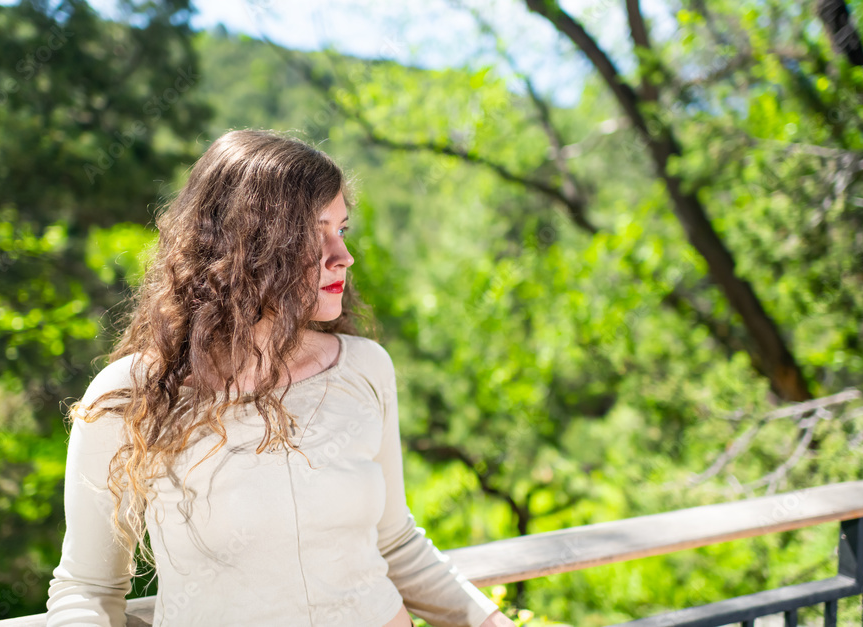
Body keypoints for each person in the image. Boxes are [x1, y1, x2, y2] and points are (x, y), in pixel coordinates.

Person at [46, 130, 517, 627]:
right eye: (317, 235)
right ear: (243, 244)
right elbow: (89, 589)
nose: (343, 256)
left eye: (343, 230)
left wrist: (490, 622)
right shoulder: (131, 395)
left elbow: (395, 541)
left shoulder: (365, 367)